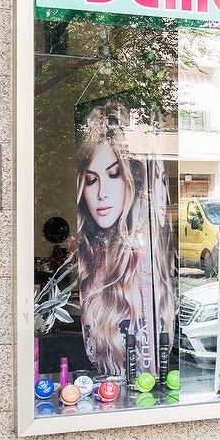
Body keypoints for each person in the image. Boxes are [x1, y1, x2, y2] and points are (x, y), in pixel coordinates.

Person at [75, 105, 173, 377]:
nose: (102, 193)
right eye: (91, 180)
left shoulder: (145, 257)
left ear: (132, 179)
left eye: (114, 174)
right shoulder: (87, 260)